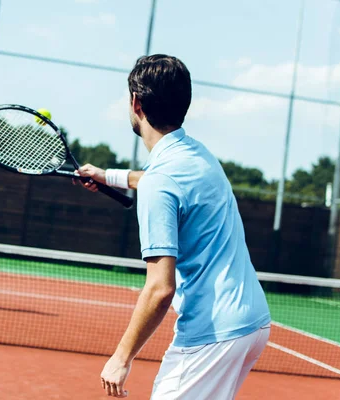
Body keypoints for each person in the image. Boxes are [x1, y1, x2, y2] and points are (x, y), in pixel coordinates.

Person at [76, 55, 271, 399]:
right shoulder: (197, 155)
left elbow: (159, 289)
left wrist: (121, 358)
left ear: (136, 103)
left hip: (211, 334)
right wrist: (107, 176)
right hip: (252, 322)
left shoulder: (160, 181)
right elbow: (157, 180)